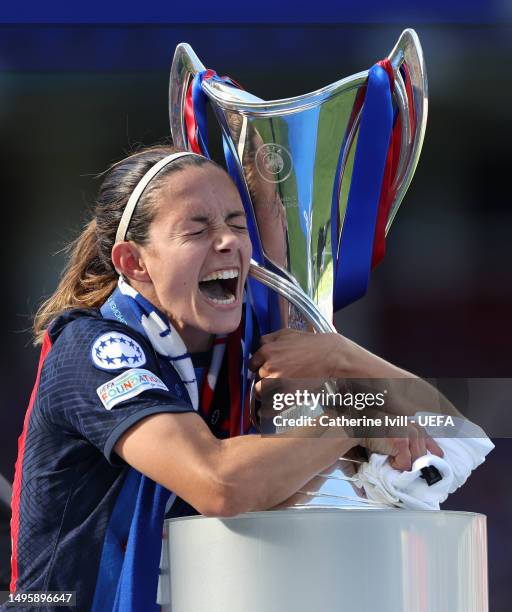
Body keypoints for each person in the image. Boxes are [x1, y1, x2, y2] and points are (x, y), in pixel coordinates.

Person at [10, 145, 443, 612]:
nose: (229, 242)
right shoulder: (94, 347)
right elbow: (221, 483)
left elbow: (444, 427)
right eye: (198, 229)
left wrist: (344, 356)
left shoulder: (232, 354)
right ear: (134, 262)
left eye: (238, 225)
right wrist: (350, 421)